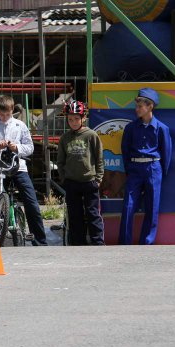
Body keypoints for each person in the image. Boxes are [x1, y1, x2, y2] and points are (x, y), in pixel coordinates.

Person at [0, 95, 47, 246]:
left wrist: (17, 147)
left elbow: (30, 148)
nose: (4, 117)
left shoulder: (20, 125)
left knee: (31, 202)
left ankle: (40, 241)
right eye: (1, 114)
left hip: (18, 168)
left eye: (7, 114)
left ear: (12, 110)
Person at [119, 87, 172, 245]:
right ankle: (124, 242)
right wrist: (130, 169)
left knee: (152, 206)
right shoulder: (130, 128)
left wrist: (159, 172)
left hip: (153, 169)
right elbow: (125, 150)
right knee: (128, 205)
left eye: (140, 106)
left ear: (150, 106)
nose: (136, 109)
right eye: (136, 106)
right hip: (135, 169)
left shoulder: (162, 128)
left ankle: (146, 242)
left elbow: (166, 153)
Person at [57, 100, 105, 245]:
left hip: (89, 182)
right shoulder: (65, 138)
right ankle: (78, 243)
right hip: (72, 183)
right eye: (70, 119)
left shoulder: (91, 135)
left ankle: (98, 242)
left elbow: (99, 158)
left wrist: (98, 178)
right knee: (75, 215)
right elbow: (60, 161)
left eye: (76, 119)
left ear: (83, 118)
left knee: (93, 214)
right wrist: (64, 178)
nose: (73, 122)